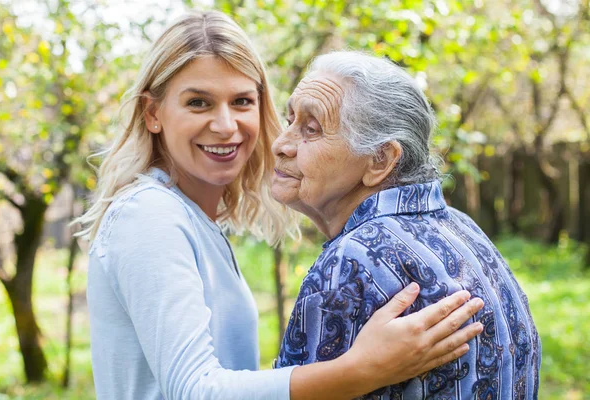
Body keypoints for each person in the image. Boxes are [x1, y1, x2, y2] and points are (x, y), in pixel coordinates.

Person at [76, 11, 485, 400]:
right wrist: (363, 369)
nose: (225, 125)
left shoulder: (191, 218)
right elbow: (196, 390)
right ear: (153, 114)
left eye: (241, 102)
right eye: (198, 103)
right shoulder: (149, 216)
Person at [271, 51, 541, 399]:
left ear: (380, 160)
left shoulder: (354, 258)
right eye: (288, 119)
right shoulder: (461, 226)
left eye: (311, 129)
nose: (281, 144)